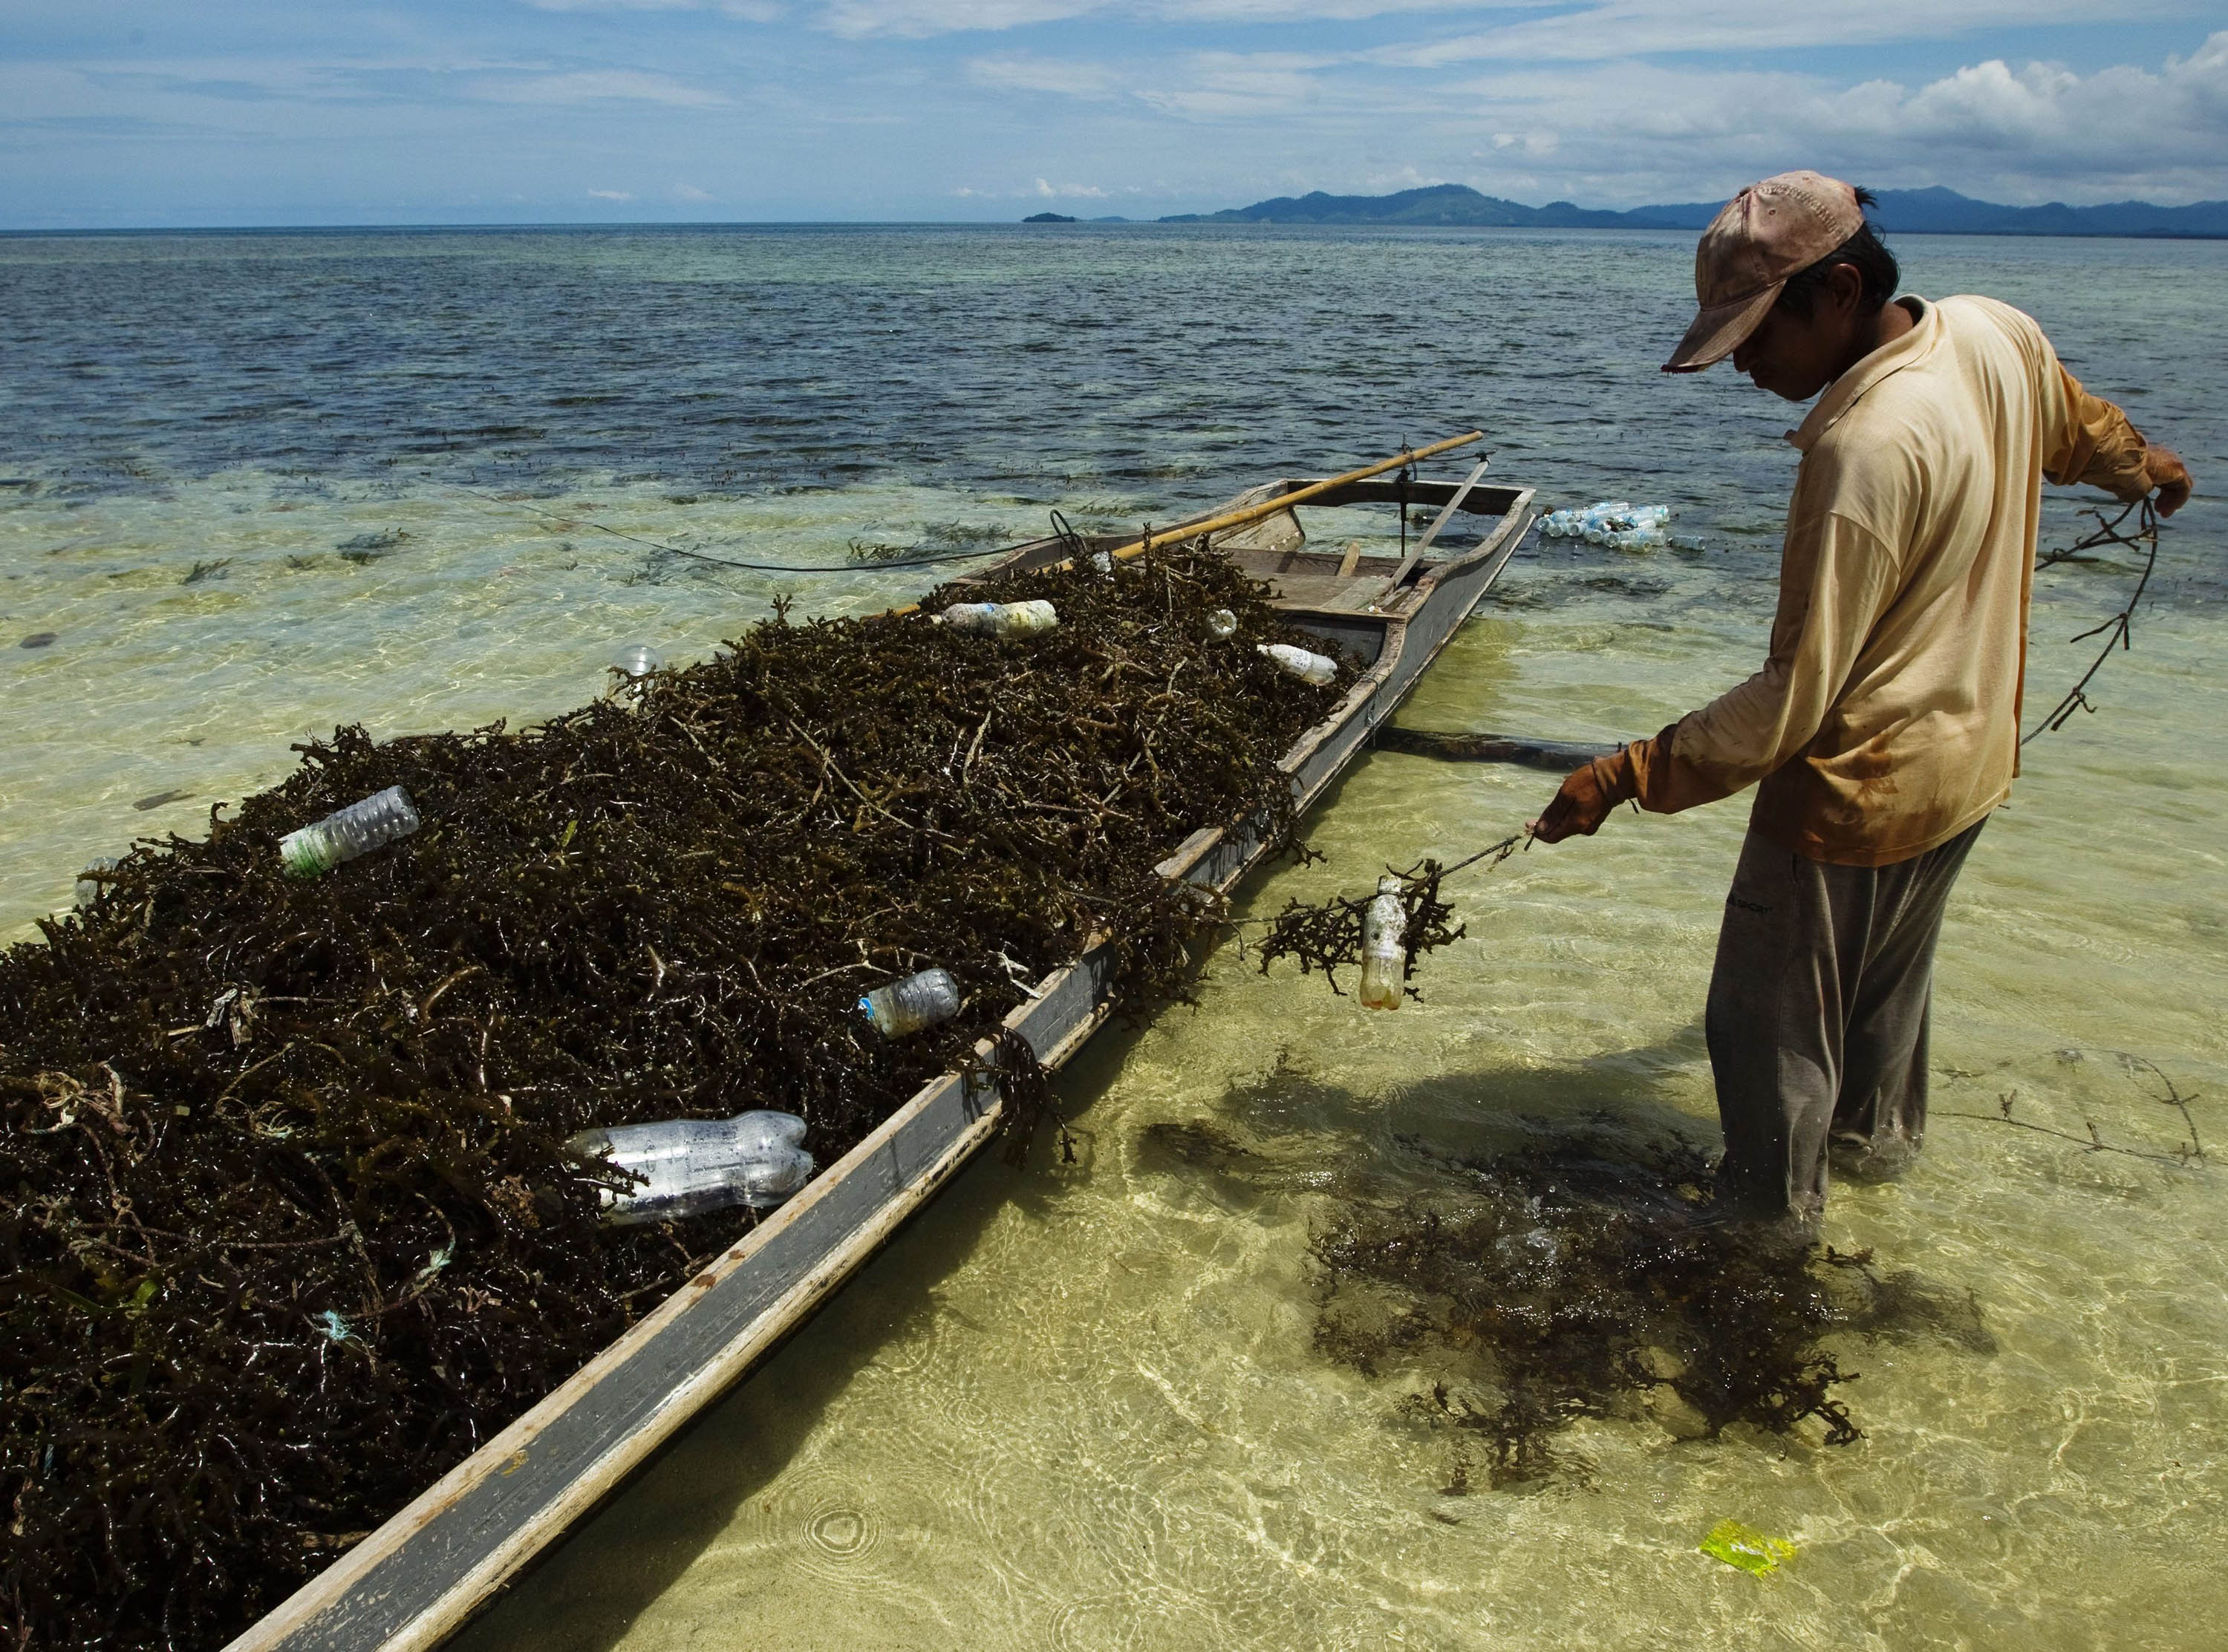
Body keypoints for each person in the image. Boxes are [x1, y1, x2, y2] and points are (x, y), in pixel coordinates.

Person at [1528, 170, 2194, 1235]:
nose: (1741, 359)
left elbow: (1793, 703)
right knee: (1880, 1018)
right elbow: (2074, 426)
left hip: (1849, 805)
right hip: (1967, 775)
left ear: (1837, 290)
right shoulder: (1990, 333)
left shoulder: (1860, 450)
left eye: (1753, 332)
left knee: (1770, 1045)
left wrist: (1624, 776)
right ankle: (1879, 1185)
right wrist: (2146, 465)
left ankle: (1766, 1244)